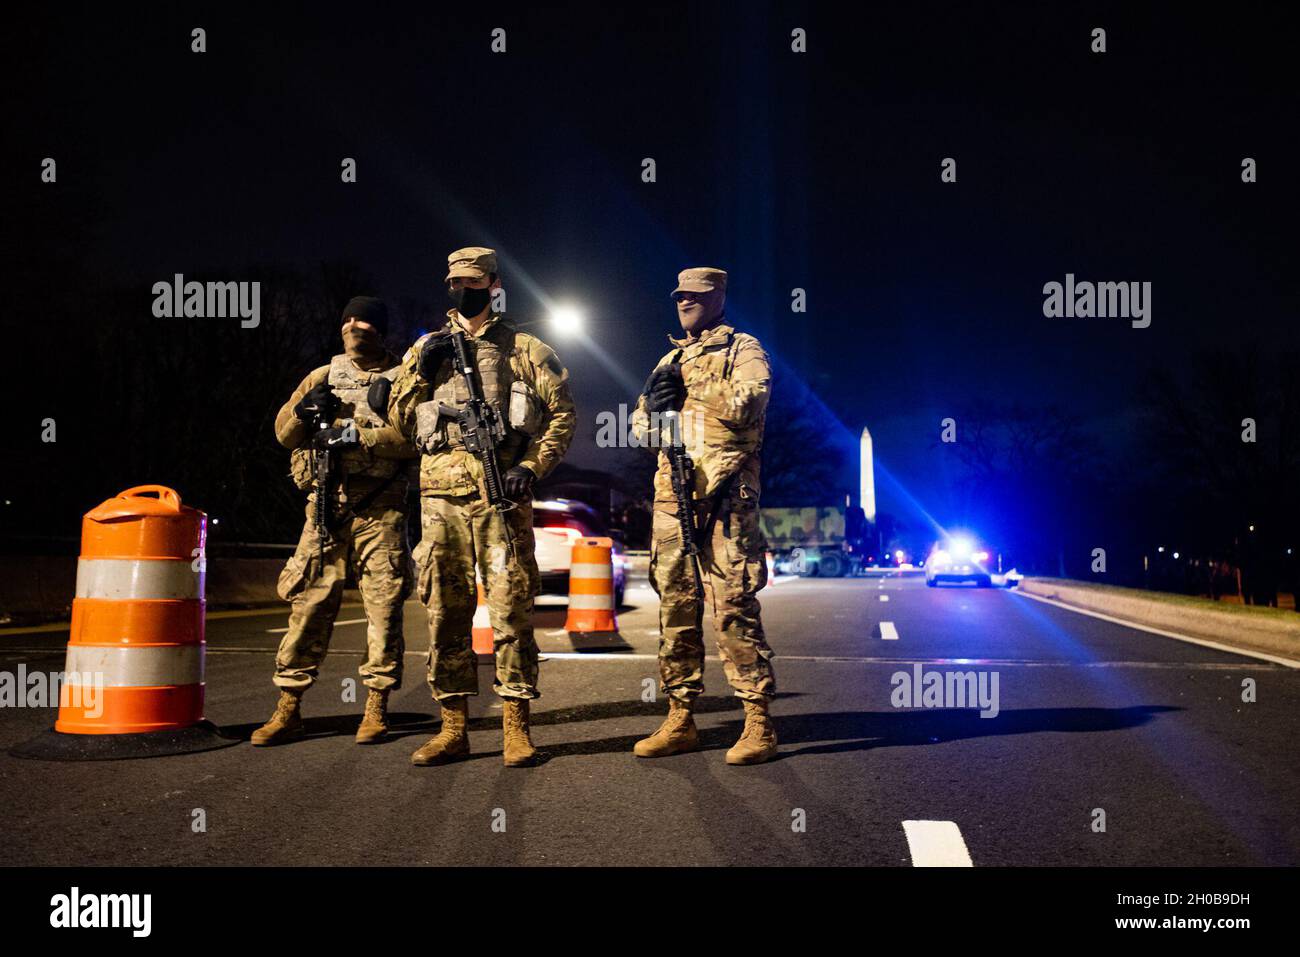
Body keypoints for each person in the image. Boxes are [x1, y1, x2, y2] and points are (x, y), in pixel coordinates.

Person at [387, 247, 576, 767]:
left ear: (493, 283)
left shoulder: (525, 348)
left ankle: (516, 726)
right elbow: (401, 423)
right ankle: (454, 728)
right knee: (444, 612)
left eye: (472, 281)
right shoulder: (425, 347)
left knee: (512, 609)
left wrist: (530, 468)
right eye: (454, 281)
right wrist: (421, 374)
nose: (462, 289)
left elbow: (562, 414)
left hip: (501, 499)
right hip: (439, 500)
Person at [252, 296, 416, 746]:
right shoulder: (322, 375)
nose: (353, 326)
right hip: (326, 505)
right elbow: (284, 434)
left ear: (380, 329)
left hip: (380, 509)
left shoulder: (404, 378)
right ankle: (288, 708)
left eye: (362, 320)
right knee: (308, 605)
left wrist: (355, 435)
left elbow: (416, 438)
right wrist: (305, 412)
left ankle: (376, 707)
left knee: (383, 611)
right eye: (346, 319)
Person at [631, 267, 778, 765]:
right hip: (674, 496)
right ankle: (680, 717)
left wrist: (691, 385)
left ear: (718, 298)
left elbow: (749, 402)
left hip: (727, 495)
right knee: (675, 607)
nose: (685, 302)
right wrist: (656, 404)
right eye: (679, 296)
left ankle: (757, 721)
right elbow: (639, 428)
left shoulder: (743, 349)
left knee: (733, 602)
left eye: (696, 295)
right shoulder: (667, 358)